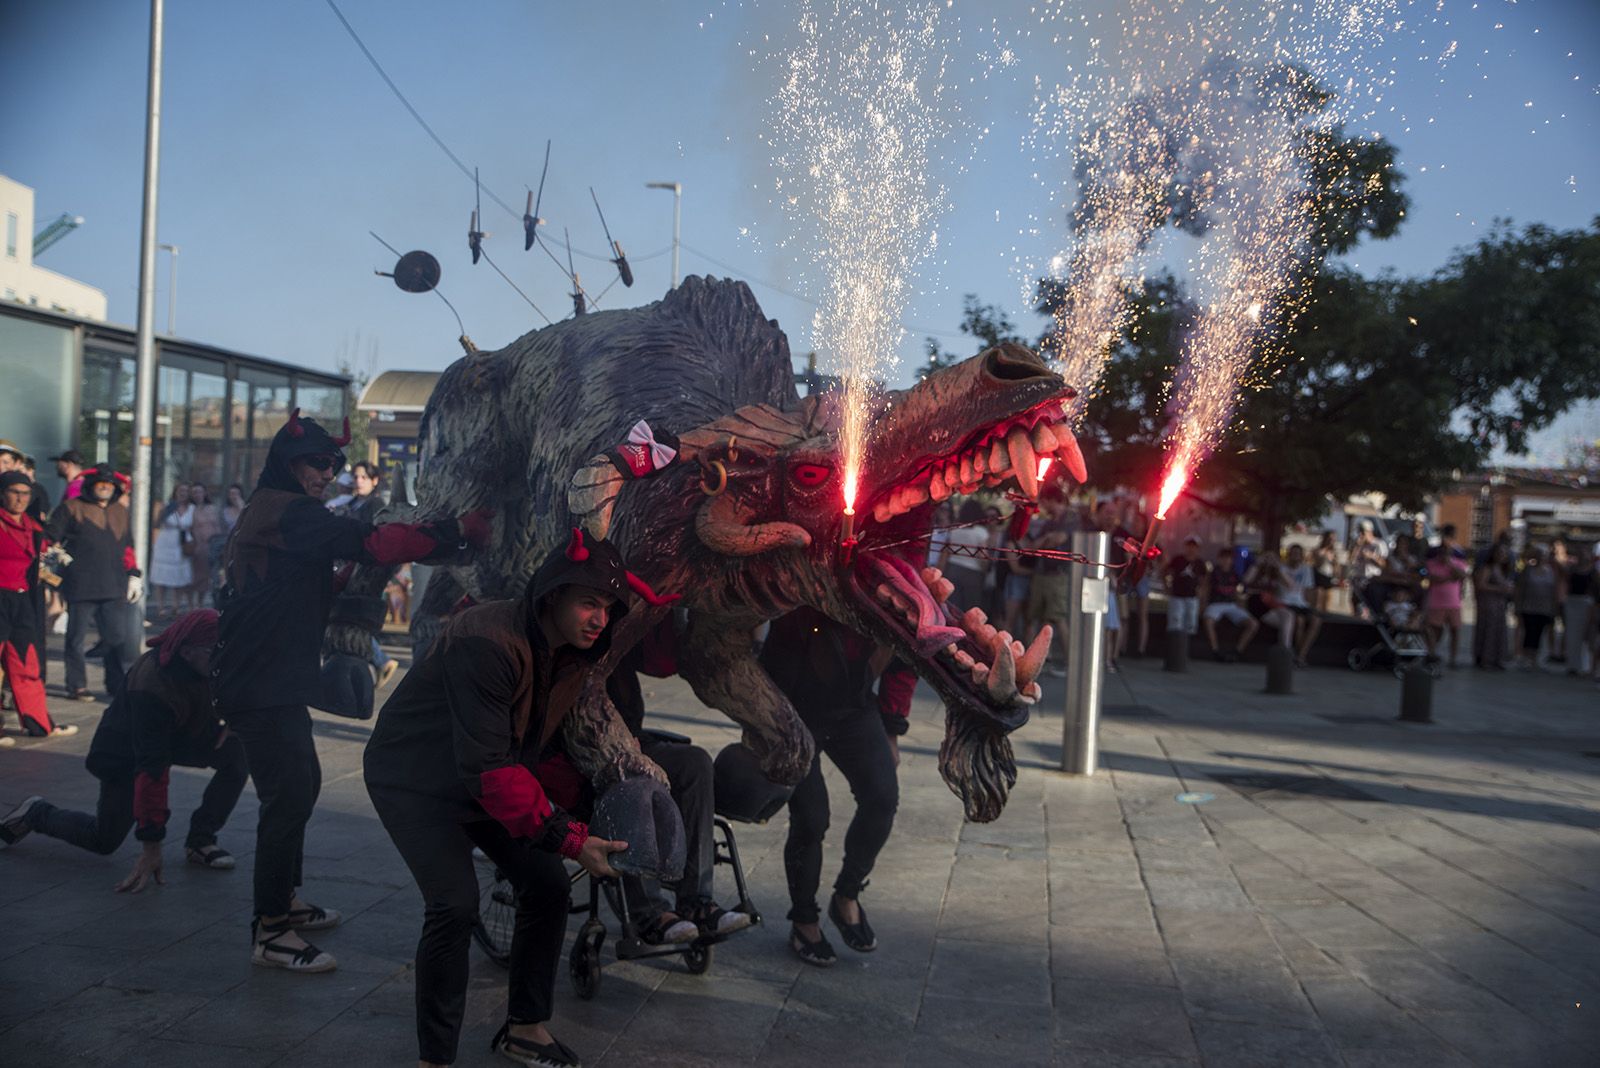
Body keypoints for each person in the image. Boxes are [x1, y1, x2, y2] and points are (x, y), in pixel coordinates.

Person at [215, 408, 488, 974]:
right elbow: (372, 541)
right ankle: (270, 930)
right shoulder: (287, 510)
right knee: (287, 797)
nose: (327, 474)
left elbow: (315, 572)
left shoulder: (283, 512)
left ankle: (285, 901)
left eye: (333, 465)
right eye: (317, 463)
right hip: (258, 680)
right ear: (289, 465)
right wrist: (455, 531)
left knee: (301, 786)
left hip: (272, 676)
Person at [363, 530, 645, 1068]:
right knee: (454, 905)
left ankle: (526, 1028)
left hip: (487, 778)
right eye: (588, 602)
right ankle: (435, 1058)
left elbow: (535, 747)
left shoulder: (571, 652)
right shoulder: (486, 639)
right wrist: (569, 836)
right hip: (415, 780)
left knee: (547, 885)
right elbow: (489, 768)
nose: (599, 619)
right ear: (552, 595)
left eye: (608, 608)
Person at [0, 609, 249, 882]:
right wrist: (152, 845)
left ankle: (200, 840)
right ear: (188, 652)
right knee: (103, 839)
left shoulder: (214, 659)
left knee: (236, 757)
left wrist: (236, 718)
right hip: (126, 750)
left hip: (184, 733)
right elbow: (151, 768)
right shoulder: (153, 683)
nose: (222, 659)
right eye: (214, 651)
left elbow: (248, 680)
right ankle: (38, 813)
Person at [761, 605, 912, 967]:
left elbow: (907, 662)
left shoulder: (893, 594)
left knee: (882, 795)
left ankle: (847, 894)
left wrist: (892, 727)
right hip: (792, 710)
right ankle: (804, 919)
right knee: (812, 816)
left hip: (854, 707)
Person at [45, 467, 145, 702]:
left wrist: (134, 574)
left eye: (109, 484)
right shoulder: (71, 507)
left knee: (116, 637)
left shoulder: (120, 510)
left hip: (114, 584)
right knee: (76, 639)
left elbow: (127, 547)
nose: (105, 487)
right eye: (100, 483)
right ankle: (77, 685)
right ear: (90, 484)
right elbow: (51, 535)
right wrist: (55, 552)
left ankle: (115, 683)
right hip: (81, 583)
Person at [0, 471, 75, 742]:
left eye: (25, 493)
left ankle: (38, 724)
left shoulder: (33, 527)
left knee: (26, 663)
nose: (20, 498)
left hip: (23, 601)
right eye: (14, 492)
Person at [1024, 488, 1076, 677]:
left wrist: (1045, 541)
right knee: (1035, 616)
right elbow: (1035, 546)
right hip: (1042, 572)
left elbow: (1056, 540)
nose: (1042, 507)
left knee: (1057, 617)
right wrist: (1045, 541)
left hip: (1057, 574)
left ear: (1051, 500)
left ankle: (1071, 663)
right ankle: (1033, 661)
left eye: (1044, 502)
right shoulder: (1050, 522)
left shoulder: (1070, 519)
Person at [1422, 524, 1469, 667]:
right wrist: (1448, 578)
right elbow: (1429, 576)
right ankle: (1431, 654)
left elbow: (1462, 576)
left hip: (1453, 601)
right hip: (1436, 601)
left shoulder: (1458, 555)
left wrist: (1450, 565)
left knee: (1455, 629)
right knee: (1435, 629)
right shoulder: (1432, 555)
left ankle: (1453, 658)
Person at [1202, 547, 1259, 661]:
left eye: (1229, 558)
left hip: (1231, 604)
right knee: (1208, 621)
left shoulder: (1235, 573)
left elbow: (1241, 587)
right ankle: (1215, 650)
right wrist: (1202, 604)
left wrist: (1240, 603)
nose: (1226, 561)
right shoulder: (1214, 572)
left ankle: (1238, 651)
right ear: (1219, 559)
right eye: (1224, 558)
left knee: (1253, 624)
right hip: (1215, 604)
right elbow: (1206, 588)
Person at [1092, 500, 1129, 672]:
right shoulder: (1092, 533)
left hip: (1117, 584)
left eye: (1113, 512)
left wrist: (1122, 578)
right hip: (1096, 584)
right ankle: (1102, 657)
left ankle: (1113, 656)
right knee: (1102, 623)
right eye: (1107, 512)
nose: (1110, 516)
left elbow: (1130, 559)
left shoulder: (1122, 534)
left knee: (1118, 621)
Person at [149, 483, 196, 619]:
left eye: (186, 491)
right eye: (181, 490)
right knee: (161, 577)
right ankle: (161, 606)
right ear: (175, 492)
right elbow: (156, 525)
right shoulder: (167, 506)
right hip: (165, 542)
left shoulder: (192, 509)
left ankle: (176, 605)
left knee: (179, 575)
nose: (183, 493)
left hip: (182, 543)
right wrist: (154, 543)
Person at [936, 499, 990, 611]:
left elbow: (945, 553)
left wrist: (939, 571)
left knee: (951, 606)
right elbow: (982, 556)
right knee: (969, 609)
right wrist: (986, 570)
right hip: (972, 573)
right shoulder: (981, 532)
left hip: (952, 569)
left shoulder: (954, 529)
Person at [1512, 544, 1559, 670]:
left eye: (1544, 555)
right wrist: (1517, 606)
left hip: (1545, 608)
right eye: (1540, 554)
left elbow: (1555, 590)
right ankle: (1526, 657)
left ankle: (1535, 658)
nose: (1542, 557)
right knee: (1529, 632)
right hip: (1528, 606)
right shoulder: (1528, 570)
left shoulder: (1551, 571)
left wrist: (1555, 607)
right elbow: (1520, 589)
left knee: (1539, 633)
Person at [1471, 543, 1514, 671]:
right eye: (1500, 553)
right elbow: (1481, 585)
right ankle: (1485, 658)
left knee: (1498, 631)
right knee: (1488, 630)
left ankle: (1497, 658)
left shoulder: (1503, 570)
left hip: (1499, 604)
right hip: (1489, 603)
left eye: (1504, 554)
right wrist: (1499, 588)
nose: (1502, 556)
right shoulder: (1487, 568)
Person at [1163, 537, 1209, 644]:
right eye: (1189, 546)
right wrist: (1166, 587)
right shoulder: (1177, 560)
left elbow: (1204, 581)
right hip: (1177, 596)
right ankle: (1174, 646)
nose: (1191, 549)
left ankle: (1187, 647)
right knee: (1175, 621)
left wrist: (1202, 595)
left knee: (1190, 623)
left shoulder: (1200, 563)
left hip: (1192, 598)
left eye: (1194, 546)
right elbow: (1166, 572)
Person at [1561, 540, 1594, 675]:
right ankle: (1573, 664)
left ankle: (1585, 665)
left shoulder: (1593, 572)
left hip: (1586, 603)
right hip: (1572, 602)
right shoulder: (1571, 570)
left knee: (1586, 635)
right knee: (1572, 634)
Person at [1311, 531, 1339, 613]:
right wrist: (1324, 555)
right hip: (1319, 576)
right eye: (1330, 539)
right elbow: (1317, 564)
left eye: (1333, 539)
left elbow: (1336, 569)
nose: (1331, 541)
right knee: (1317, 601)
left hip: (1328, 576)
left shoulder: (1333, 553)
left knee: (1327, 602)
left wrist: (1334, 562)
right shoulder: (1318, 550)